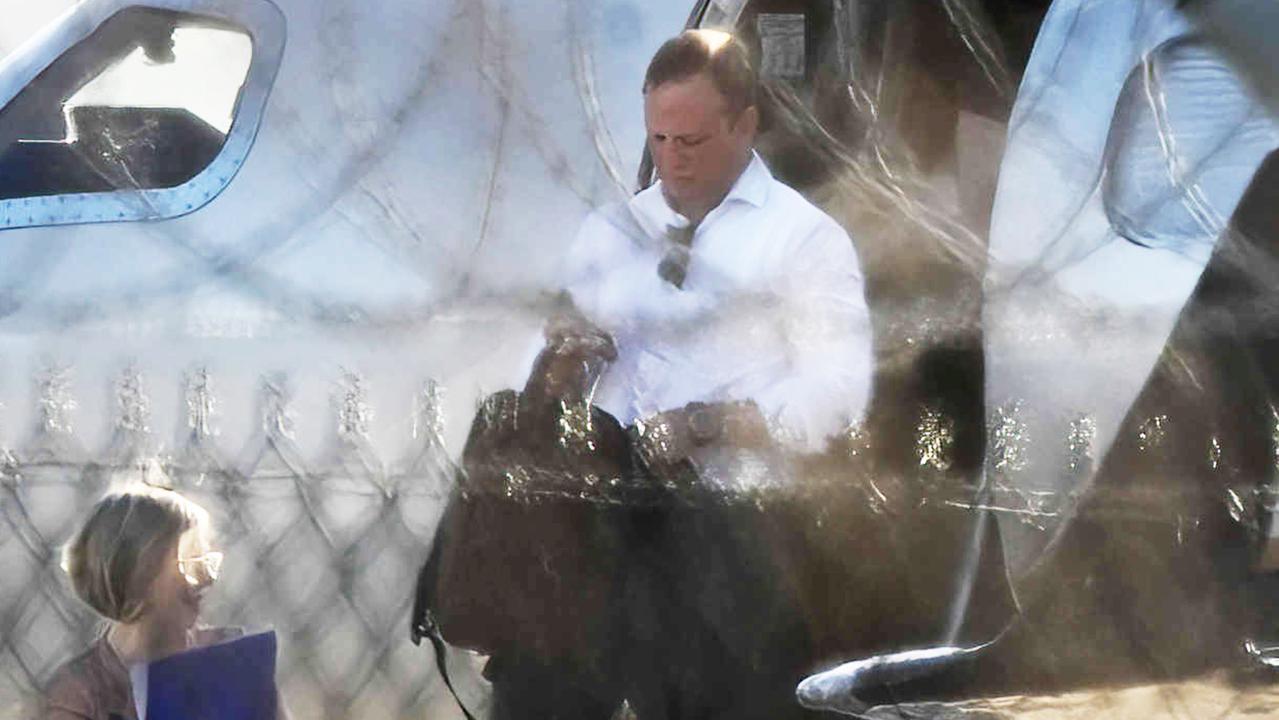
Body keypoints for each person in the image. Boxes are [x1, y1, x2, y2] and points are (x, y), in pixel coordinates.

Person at [43, 485, 234, 720]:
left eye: (206, 562)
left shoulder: (231, 662)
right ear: (140, 575)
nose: (207, 580)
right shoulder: (81, 693)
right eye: (189, 565)